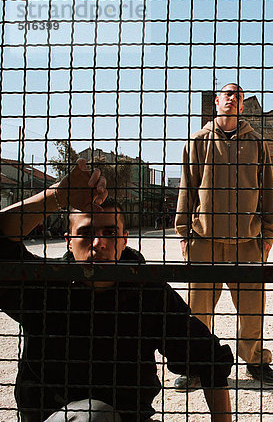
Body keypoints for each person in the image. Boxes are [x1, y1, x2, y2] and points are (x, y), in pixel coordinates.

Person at [0, 159, 234, 421]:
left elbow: (208, 356)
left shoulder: (146, 292)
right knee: (92, 416)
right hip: (58, 416)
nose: (99, 243)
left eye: (110, 233)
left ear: (124, 240)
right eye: (86, 233)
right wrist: (57, 196)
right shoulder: (46, 287)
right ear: (69, 242)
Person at [175, 83, 273, 386]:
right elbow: (187, 190)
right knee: (199, 311)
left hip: (247, 243)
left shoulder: (257, 144)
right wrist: (184, 234)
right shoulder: (197, 142)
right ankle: (197, 365)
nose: (233, 98)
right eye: (228, 94)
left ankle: (255, 362)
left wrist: (269, 234)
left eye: (239, 95)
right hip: (204, 241)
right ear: (217, 101)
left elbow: (267, 192)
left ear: (243, 105)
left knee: (252, 309)